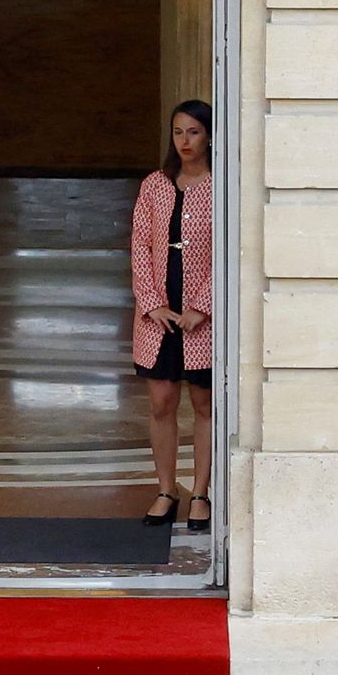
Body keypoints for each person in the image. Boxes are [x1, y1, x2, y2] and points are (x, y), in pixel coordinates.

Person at [122, 108, 214, 536]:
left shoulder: (221, 186)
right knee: (161, 403)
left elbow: (232, 247)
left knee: (203, 404)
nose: (185, 141)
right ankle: (165, 490)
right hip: (158, 320)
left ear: (209, 137)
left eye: (194, 132)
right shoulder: (154, 185)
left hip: (202, 321)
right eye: (178, 132)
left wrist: (204, 305)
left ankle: (200, 493)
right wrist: (153, 303)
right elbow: (140, 246)